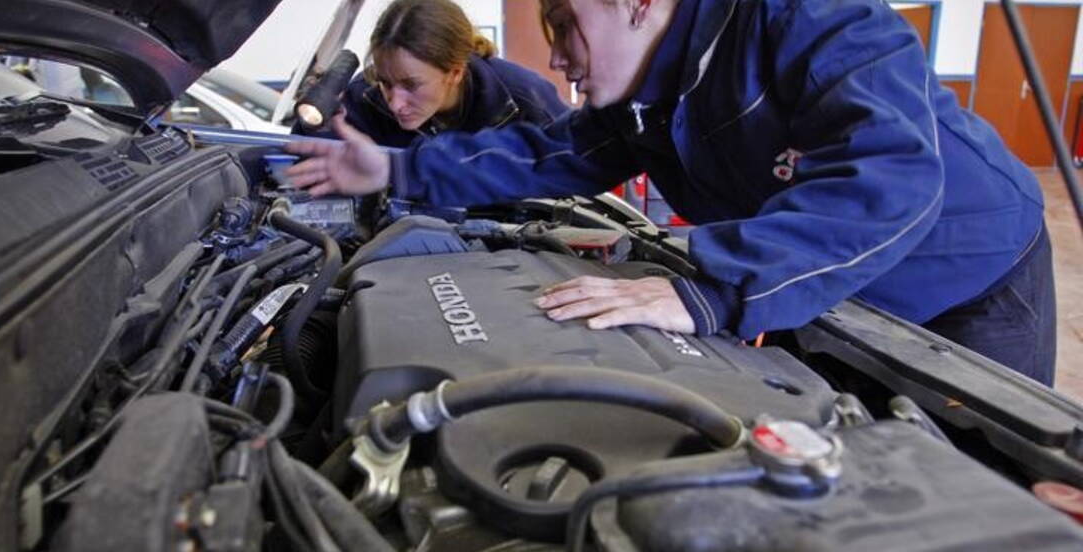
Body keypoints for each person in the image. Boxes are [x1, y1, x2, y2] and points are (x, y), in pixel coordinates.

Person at [286, 0, 1056, 386]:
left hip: (967, 279)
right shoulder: (646, 99)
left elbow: (892, 171)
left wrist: (716, 288)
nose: (557, 60)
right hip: (822, 285)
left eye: (564, 24)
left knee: (977, 499)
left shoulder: (808, 17)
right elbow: (546, 153)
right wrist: (397, 171)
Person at [301, 0, 569, 147]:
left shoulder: (526, 101)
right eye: (386, 83)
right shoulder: (364, 96)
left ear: (455, 73)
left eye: (411, 85)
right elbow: (303, 167)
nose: (395, 103)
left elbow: (578, 170)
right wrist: (321, 126)